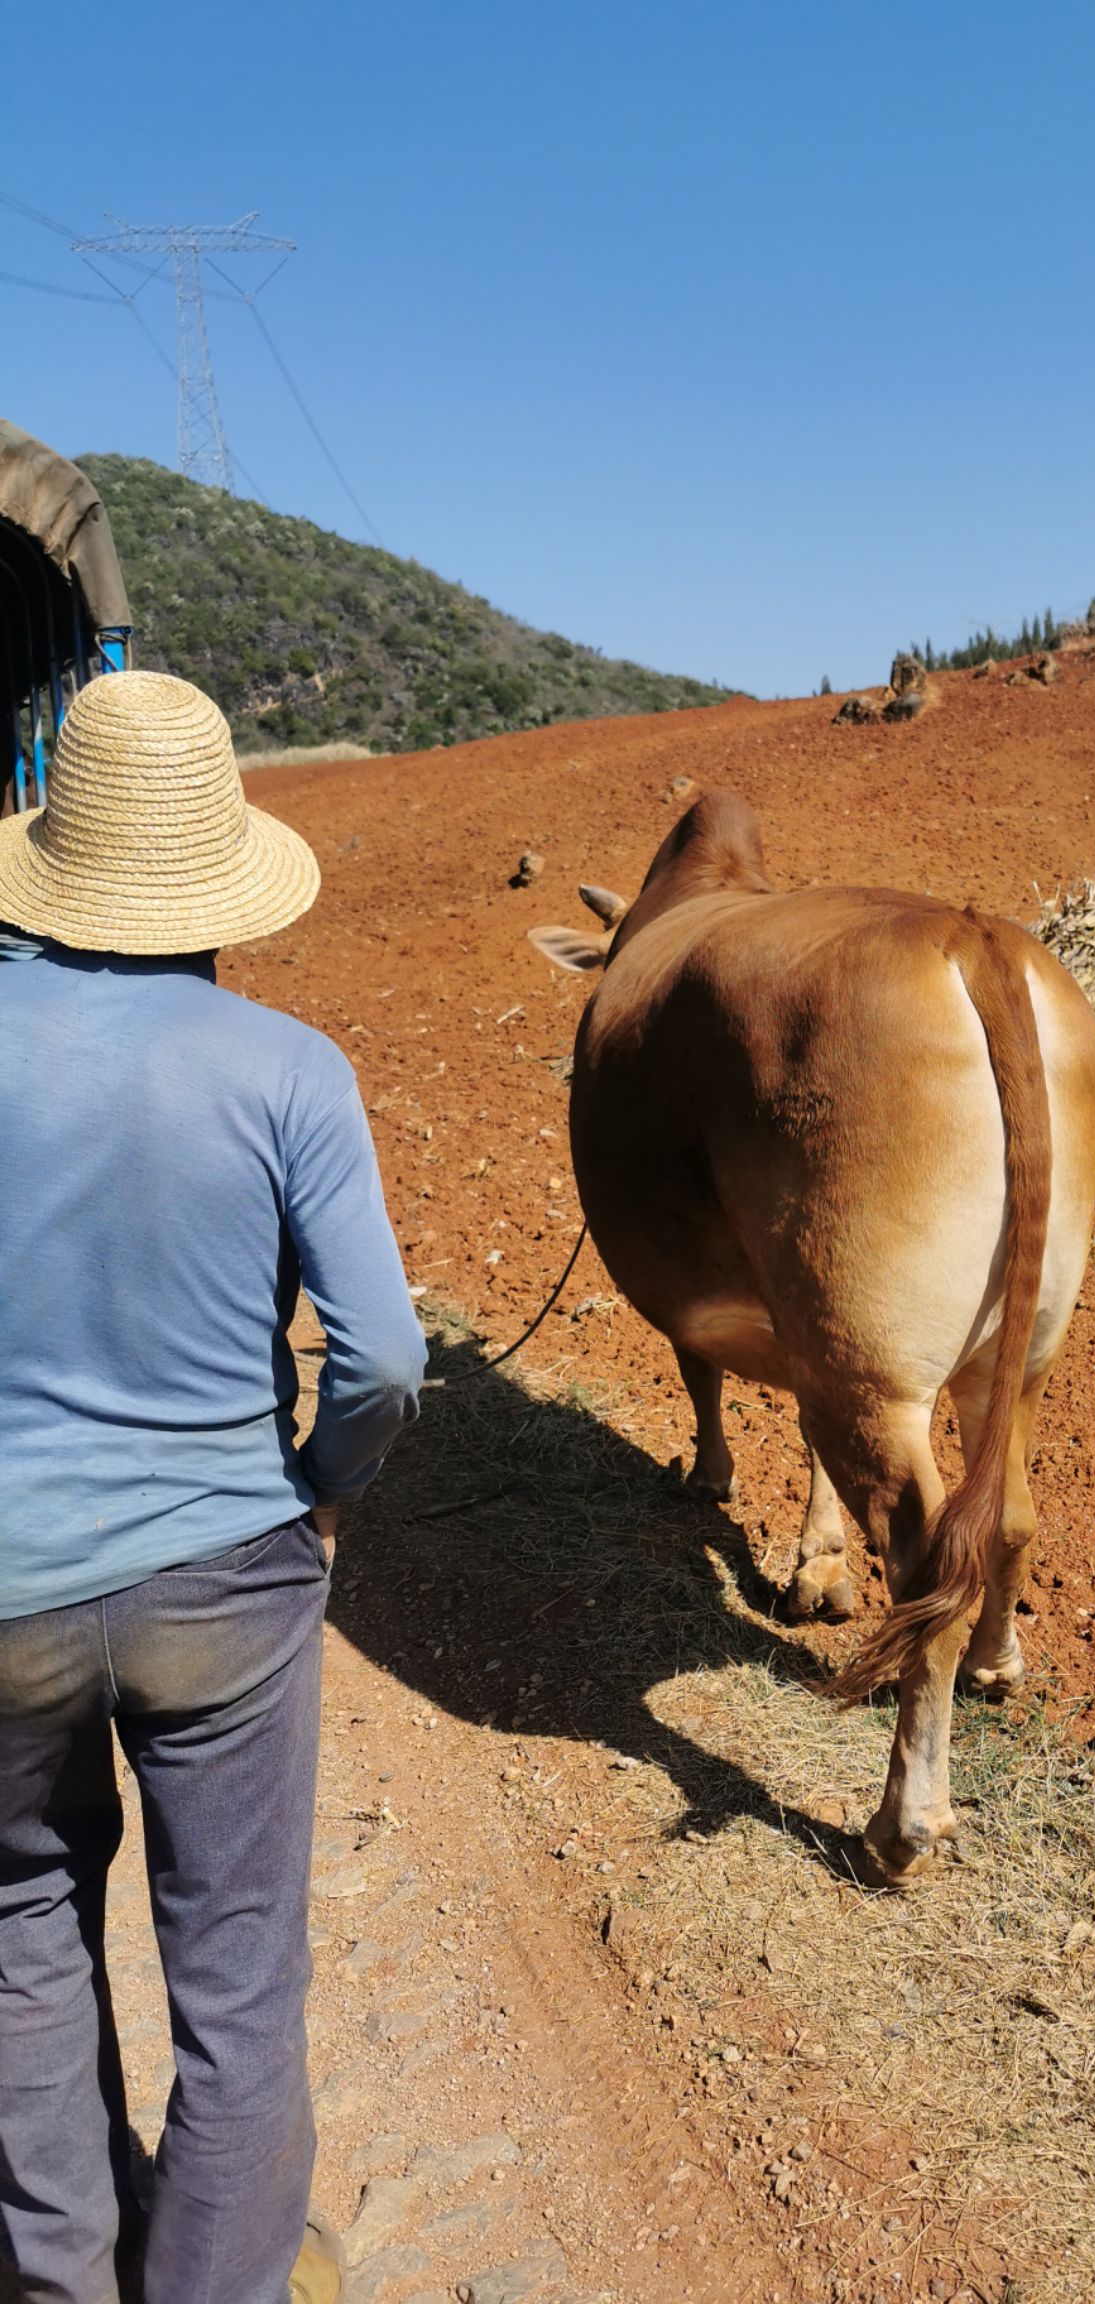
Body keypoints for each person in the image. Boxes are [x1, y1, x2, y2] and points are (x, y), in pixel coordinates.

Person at [0, 670, 427, 2304]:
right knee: (239, 1986)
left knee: (23, 1944)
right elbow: (382, 1357)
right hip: (225, 1583)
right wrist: (320, 1483)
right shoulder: (286, 1067)